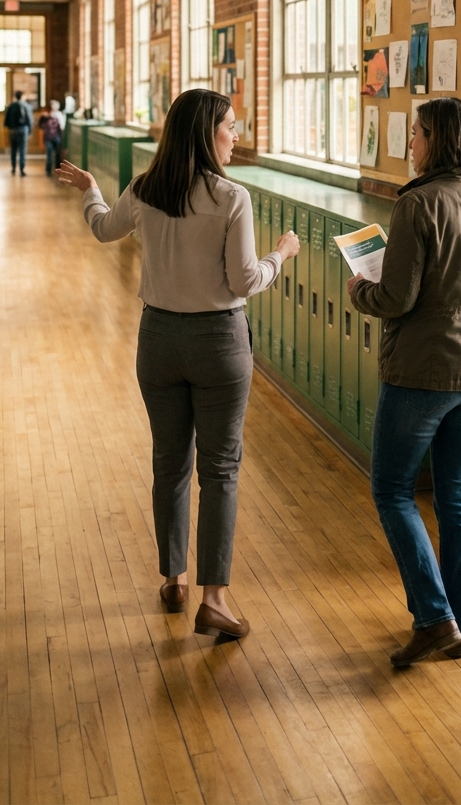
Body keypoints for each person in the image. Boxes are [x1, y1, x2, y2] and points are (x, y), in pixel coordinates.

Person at [58, 89, 300, 639]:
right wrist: (280, 255)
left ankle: (174, 578)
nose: (236, 135)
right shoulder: (231, 197)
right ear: (206, 133)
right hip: (219, 343)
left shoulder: (147, 187)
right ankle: (214, 599)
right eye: (230, 127)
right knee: (220, 468)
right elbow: (245, 281)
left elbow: (102, 228)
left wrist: (91, 189)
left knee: (170, 462)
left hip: (159, 339)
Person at [349, 98, 461, 667]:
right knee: (457, 497)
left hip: (423, 373)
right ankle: (456, 624)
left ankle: (433, 616)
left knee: (392, 490)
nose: (410, 144)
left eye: (416, 134)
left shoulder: (417, 205)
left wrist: (358, 289)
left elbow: (396, 298)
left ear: (435, 140)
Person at [4, 89, 34, 176]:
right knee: (22, 149)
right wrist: (30, 130)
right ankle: (21, 168)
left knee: (13, 149)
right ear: (22, 96)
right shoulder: (26, 106)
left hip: (13, 130)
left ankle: (13, 167)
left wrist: (10, 128)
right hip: (23, 129)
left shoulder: (11, 106)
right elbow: (29, 119)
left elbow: (6, 120)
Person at [39, 98, 65, 175]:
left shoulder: (59, 115)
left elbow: (62, 127)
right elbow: (40, 125)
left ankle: (57, 169)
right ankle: (48, 170)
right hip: (48, 137)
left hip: (56, 136)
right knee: (49, 154)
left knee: (57, 154)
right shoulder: (46, 115)